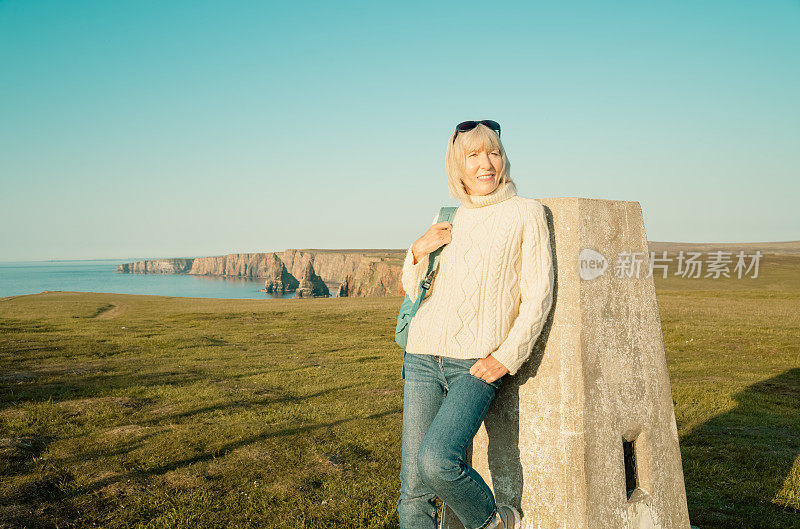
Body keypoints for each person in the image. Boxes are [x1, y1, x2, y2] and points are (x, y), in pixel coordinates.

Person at [397, 120, 554, 529]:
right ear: (458, 164)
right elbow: (415, 290)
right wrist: (416, 252)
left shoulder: (527, 213)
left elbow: (539, 296)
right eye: (474, 155)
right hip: (421, 356)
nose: (486, 164)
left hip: (475, 362)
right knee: (413, 492)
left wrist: (506, 357)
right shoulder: (447, 215)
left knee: (437, 461)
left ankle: (494, 523)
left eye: (494, 153)